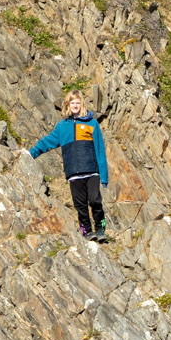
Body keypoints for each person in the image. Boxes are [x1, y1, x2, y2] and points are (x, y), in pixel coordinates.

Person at [27, 91, 109, 241]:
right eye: (72, 103)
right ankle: (87, 232)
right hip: (73, 172)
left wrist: (103, 176)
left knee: (95, 200)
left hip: (92, 171)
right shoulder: (61, 127)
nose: (75, 106)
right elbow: (46, 142)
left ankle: (100, 229)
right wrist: (30, 154)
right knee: (80, 206)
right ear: (68, 105)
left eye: (78, 103)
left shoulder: (92, 123)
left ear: (82, 104)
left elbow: (100, 149)